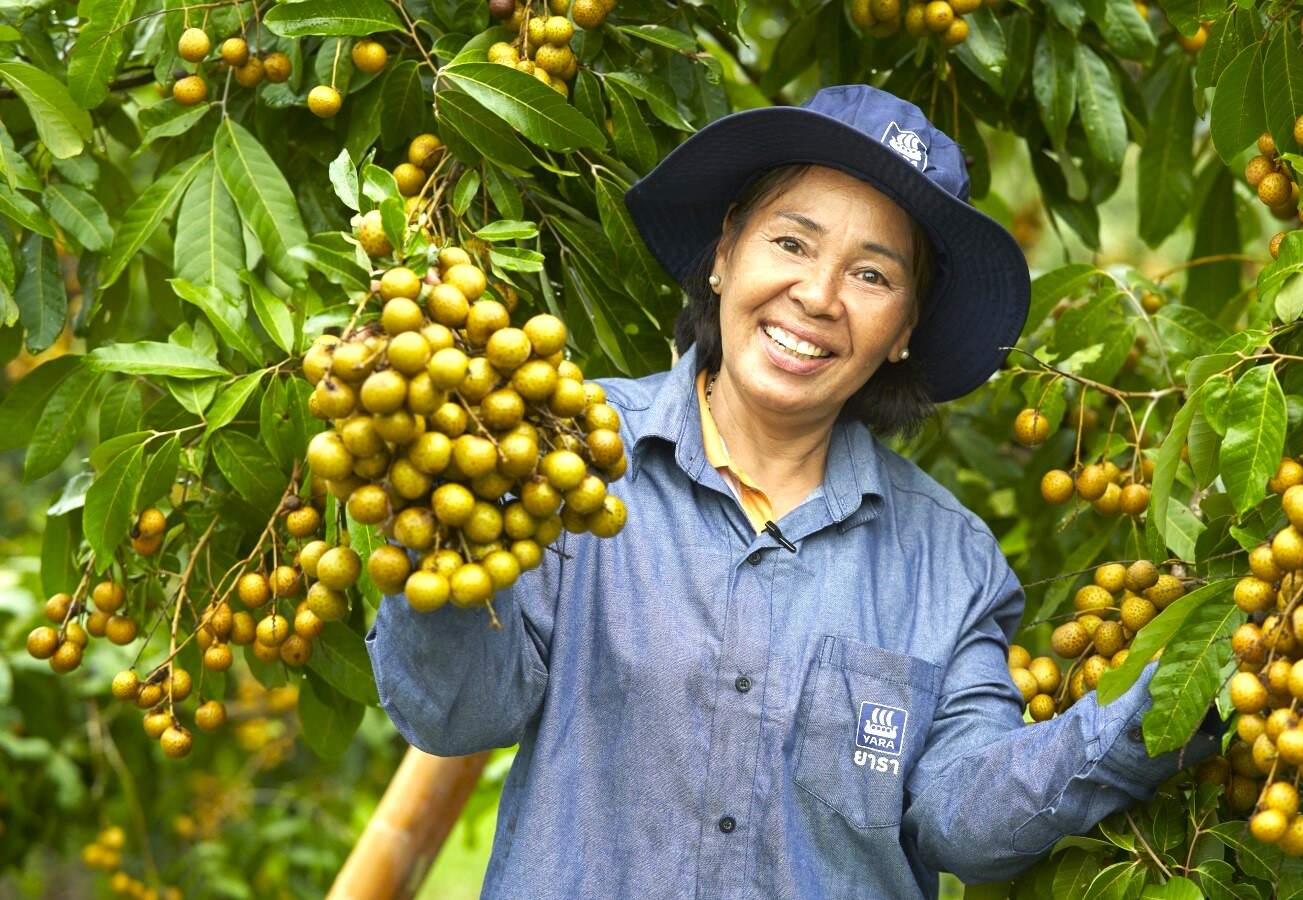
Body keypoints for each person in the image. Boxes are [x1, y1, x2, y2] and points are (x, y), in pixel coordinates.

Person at [366, 84, 1218, 898]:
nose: (816, 296)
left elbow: (961, 818)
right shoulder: (564, 452)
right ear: (726, 252)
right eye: (792, 243)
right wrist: (437, 491)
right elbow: (455, 712)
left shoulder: (948, 559)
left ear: (904, 334)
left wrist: (1170, 698)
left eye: (873, 276)